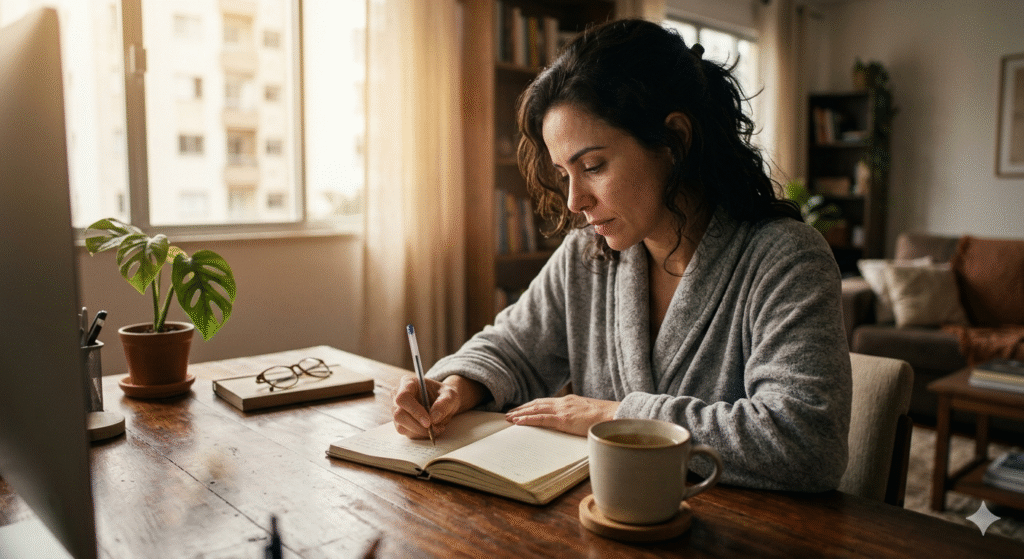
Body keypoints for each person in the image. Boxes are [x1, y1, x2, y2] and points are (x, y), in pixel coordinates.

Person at [391, 18, 851, 492]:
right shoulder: (587, 256)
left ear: (674, 140)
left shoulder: (785, 259)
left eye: (593, 166)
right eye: (564, 173)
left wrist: (617, 416)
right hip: (607, 525)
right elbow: (512, 347)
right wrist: (456, 387)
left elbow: (806, 443)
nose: (574, 201)